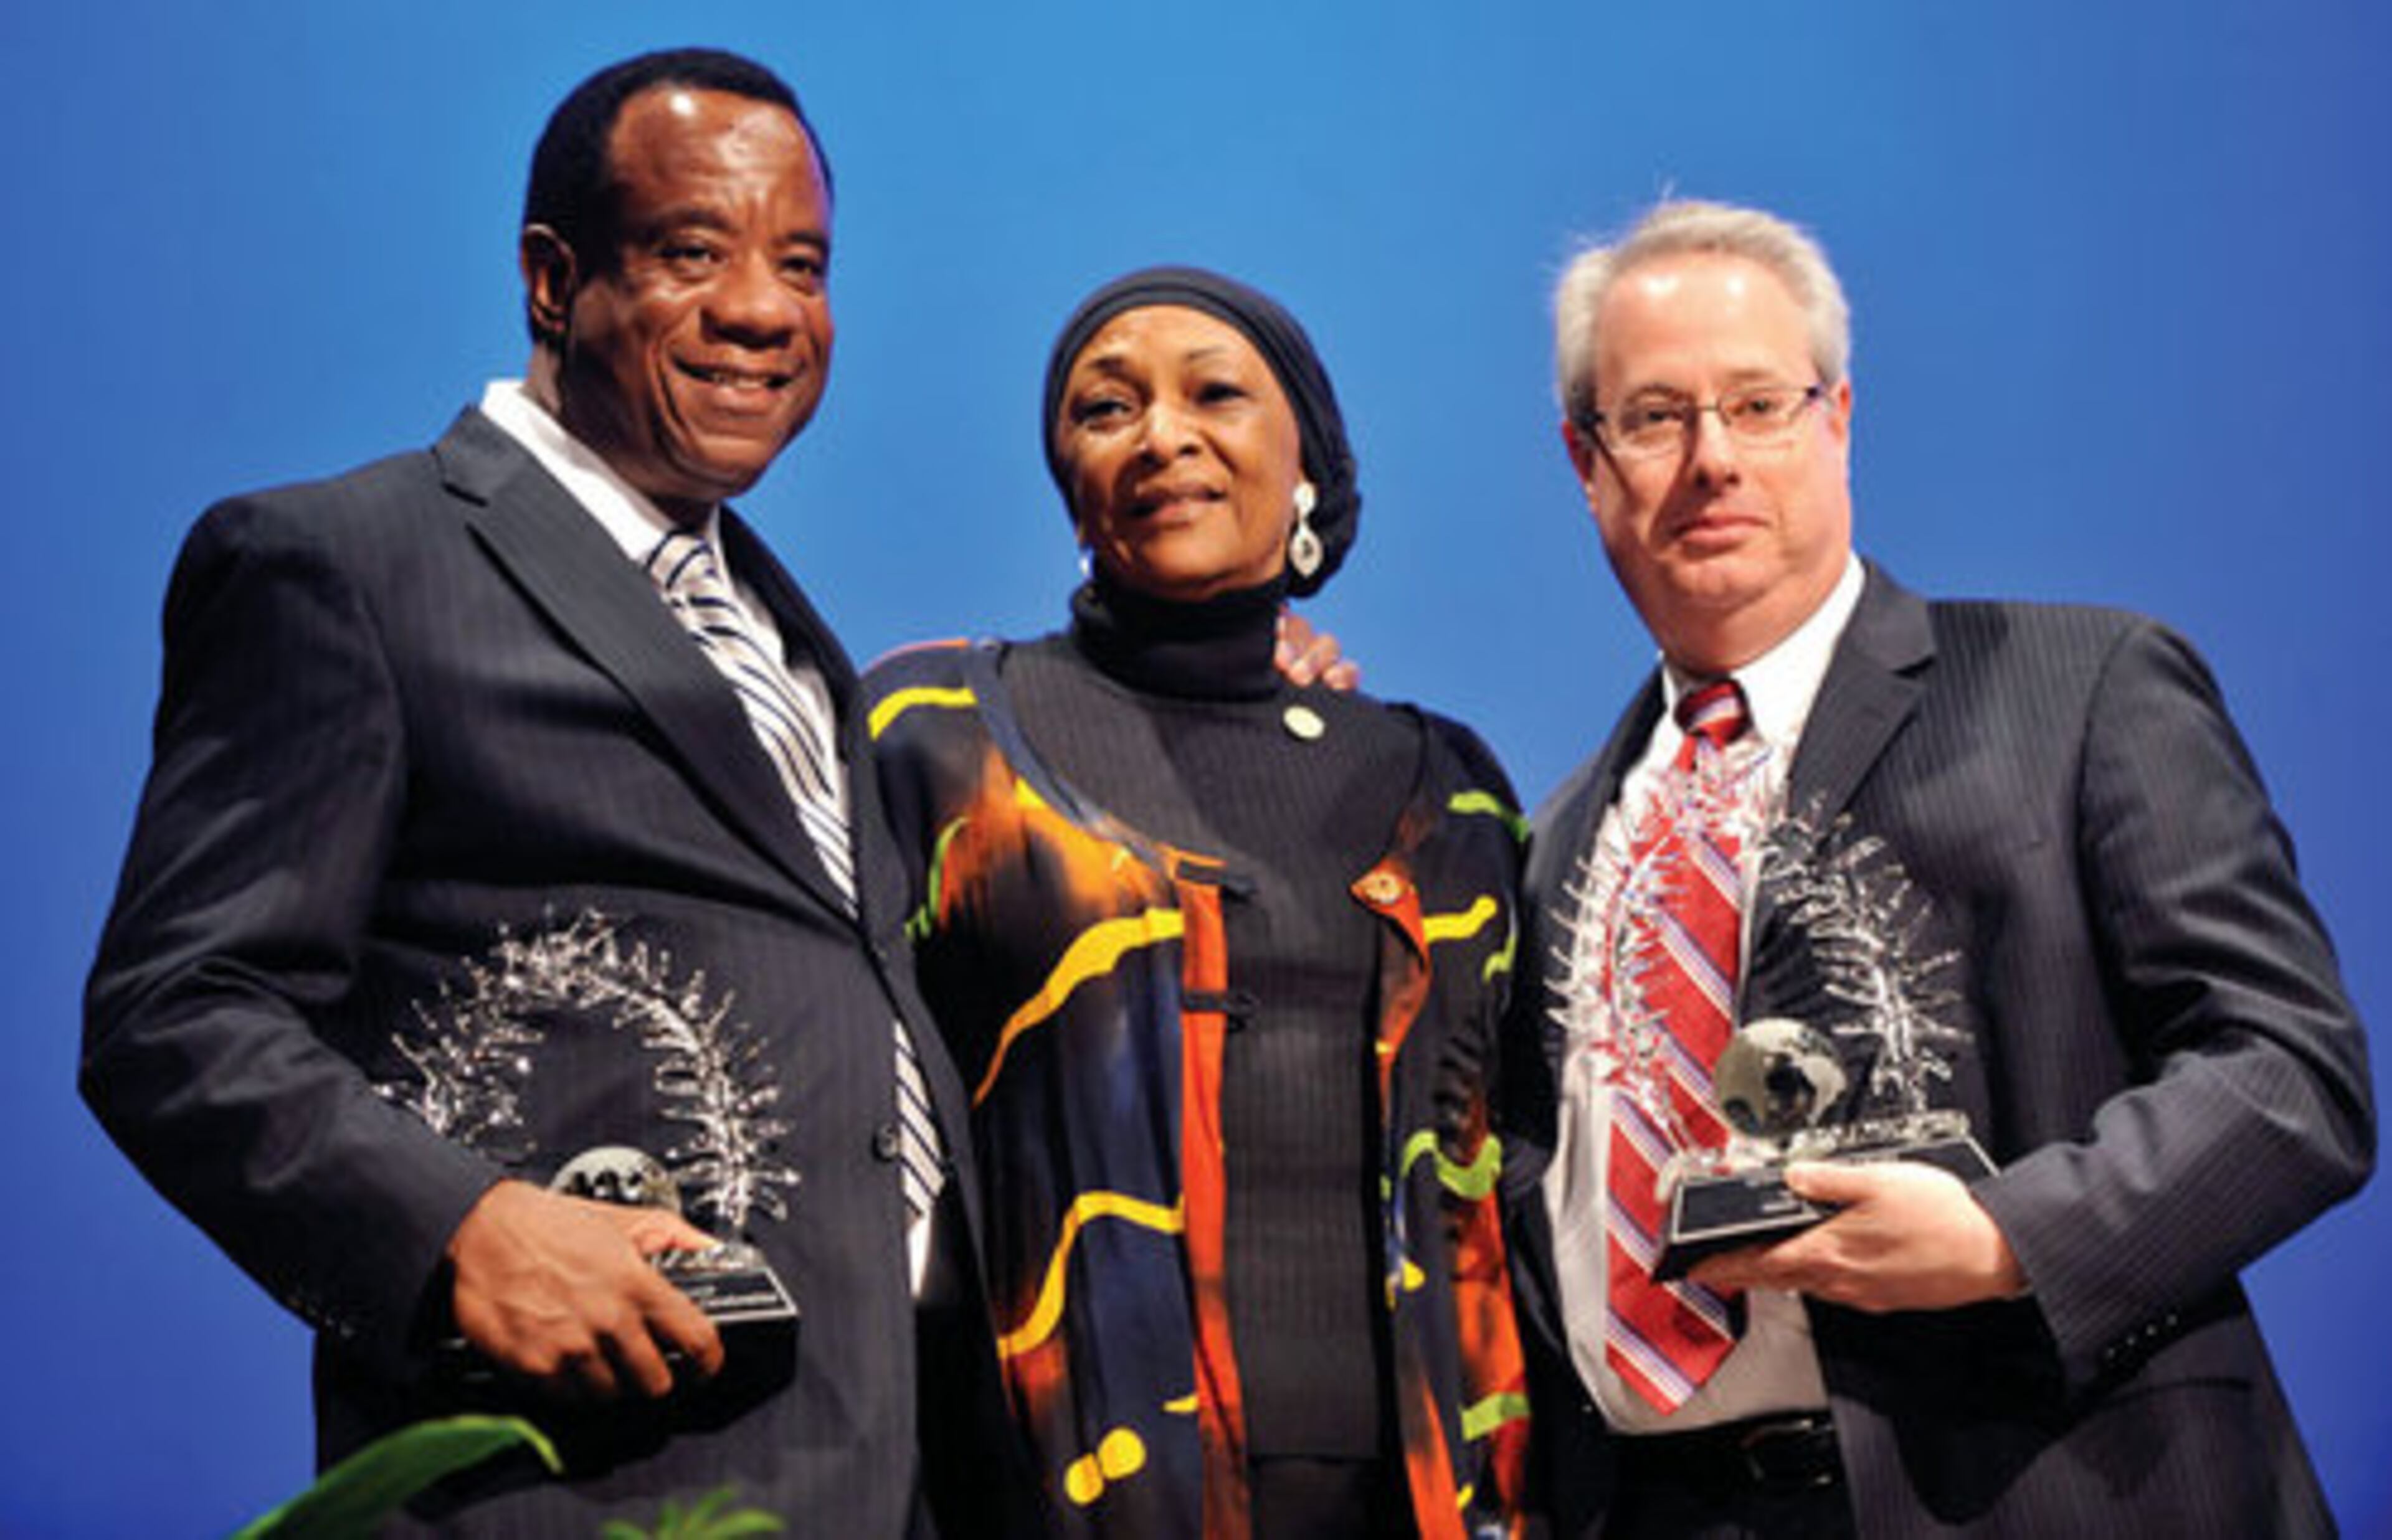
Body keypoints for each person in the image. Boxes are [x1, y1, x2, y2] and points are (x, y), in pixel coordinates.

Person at [81, 48, 1017, 1536]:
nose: (766, 310)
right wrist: (459, 1231)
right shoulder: (351, 563)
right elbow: (178, 1014)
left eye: (802, 263)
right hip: (574, 1493)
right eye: (692, 251)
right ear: (551, 281)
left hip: (892, 1483)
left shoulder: (794, 646)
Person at [1505, 198, 2373, 1538]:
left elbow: (2291, 1074)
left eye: (1758, 406)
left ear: (1838, 419)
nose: (1711, 460)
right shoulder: (1558, 839)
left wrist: (2007, 1239)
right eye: (1657, 416)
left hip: (2057, 1485)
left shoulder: (2079, 688)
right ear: (1585, 459)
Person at [865, 267, 1533, 1537]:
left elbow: (1520, 1151)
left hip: (1440, 1504)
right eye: (1105, 408)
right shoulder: (933, 738)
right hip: (1057, 1498)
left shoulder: (1452, 791)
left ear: (1312, 473)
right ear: (1068, 479)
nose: (1161, 434)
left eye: (1214, 393)